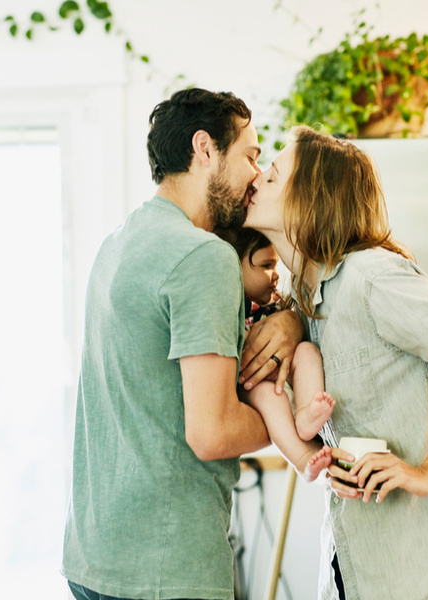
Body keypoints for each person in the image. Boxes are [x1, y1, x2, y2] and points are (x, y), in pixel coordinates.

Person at [242, 125, 428, 600]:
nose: (256, 182)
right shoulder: (309, 300)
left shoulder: (371, 277)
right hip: (363, 560)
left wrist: (427, 472)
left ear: (309, 200)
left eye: (272, 177)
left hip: (421, 565)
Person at [61, 88, 305, 600]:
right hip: (165, 567)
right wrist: (291, 417)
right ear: (205, 149)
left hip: (94, 556)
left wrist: (290, 323)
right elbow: (213, 433)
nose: (256, 176)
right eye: (250, 156)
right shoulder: (202, 257)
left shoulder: (117, 244)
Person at [216, 226, 336, 481]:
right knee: (271, 397)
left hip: (287, 378)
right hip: (255, 386)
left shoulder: (276, 303)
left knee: (307, 351)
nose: (275, 276)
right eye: (265, 266)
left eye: (276, 265)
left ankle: (306, 412)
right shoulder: (230, 309)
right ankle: (302, 459)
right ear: (233, 268)